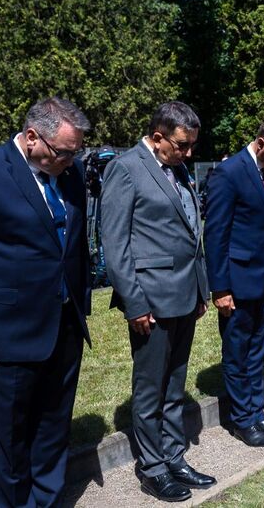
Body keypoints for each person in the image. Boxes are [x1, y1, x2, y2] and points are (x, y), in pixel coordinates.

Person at [0, 97, 92, 506]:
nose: (70, 160)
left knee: (52, 427)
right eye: (63, 151)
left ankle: (46, 501)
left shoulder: (70, 172)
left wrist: (80, 307)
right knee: (10, 440)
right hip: (6, 335)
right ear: (32, 137)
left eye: (74, 152)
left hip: (63, 326)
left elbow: (74, 247)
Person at [101, 101, 214, 502]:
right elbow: (115, 246)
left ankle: (173, 455)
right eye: (182, 145)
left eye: (191, 146)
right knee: (150, 390)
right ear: (158, 136)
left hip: (185, 295)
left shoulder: (178, 168)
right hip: (150, 300)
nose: (188, 154)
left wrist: (201, 290)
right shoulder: (126, 168)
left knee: (175, 385)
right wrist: (135, 303)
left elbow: (190, 232)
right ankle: (152, 468)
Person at [205, 114, 264, 448]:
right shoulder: (228, 174)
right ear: (261, 144)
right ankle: (242, 419)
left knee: (256, 351)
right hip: (237, 280)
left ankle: (257, 412)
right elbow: (215, 234)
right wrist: (220, 288)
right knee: (237, 351)